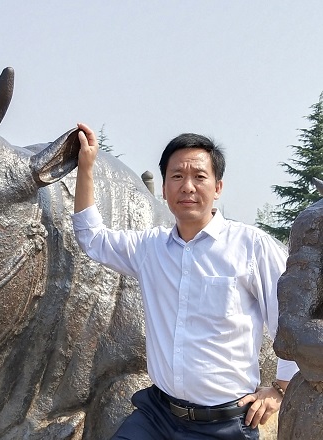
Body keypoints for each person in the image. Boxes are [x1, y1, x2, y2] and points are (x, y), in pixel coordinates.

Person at [71, 123, 298, 440]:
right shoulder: (150, 249)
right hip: (157, 416)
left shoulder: (251, 247)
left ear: (218, 187)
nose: (187, 187)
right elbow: (92, 237)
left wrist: (282, 388)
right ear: (164, 189)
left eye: (199, 177)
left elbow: (290, 315)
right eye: (177, 176)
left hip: (222, 424)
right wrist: (86, 167)